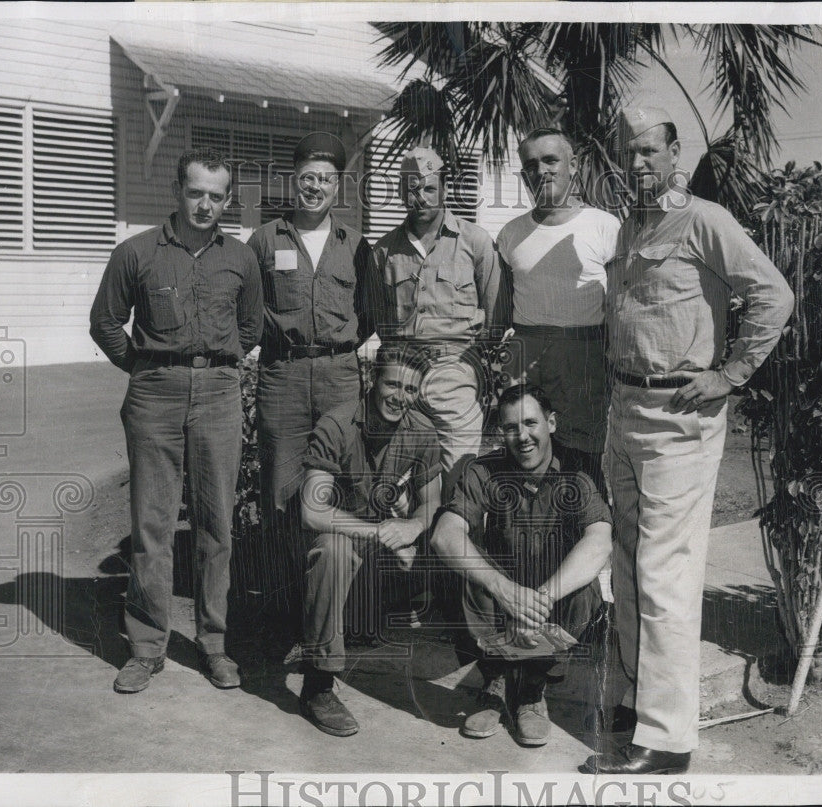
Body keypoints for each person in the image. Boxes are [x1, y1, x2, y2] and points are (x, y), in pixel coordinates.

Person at [586, 105, 795, 774]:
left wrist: (730, 373)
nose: (639, 162)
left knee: (664, 576)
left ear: (675, 153)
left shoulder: (705, 220)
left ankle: (667, 740)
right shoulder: (631, 225)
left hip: (680, 417)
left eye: (651, 150)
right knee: (625, 565)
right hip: (627, 411)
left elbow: (774, 296)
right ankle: (635, 700)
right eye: (630, 151)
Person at [89, 148, 263, 693]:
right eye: (195, 192)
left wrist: (214, 370)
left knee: (216, 526)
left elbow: (250, 330)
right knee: (151, 524)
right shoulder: (135, 253)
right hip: (154, 394)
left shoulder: (241, 259)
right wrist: (143, 368)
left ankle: (213, 644)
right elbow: (106, 322)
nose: (205, 204)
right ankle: (145, 647)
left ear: (228, 200)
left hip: (218, 393)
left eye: (216, 195)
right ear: (177, 191)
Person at [431, 384, 612, 747]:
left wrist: (539, 599)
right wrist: (506, 590)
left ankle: (532, 687)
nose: (522, 436)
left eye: (531, 423)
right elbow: (444, 535)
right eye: (511, 427)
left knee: (586, 588)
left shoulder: (580, 468)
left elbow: (599, 539)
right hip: (504, 590)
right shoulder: (484, 470)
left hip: (552, 589)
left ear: (552, 423)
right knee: (464, 570)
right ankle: (495, 680)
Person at [247, 132, 374, 642]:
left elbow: (367, 315)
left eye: (325, 179)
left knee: (340, 484)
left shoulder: (355, 246)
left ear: (338, 186)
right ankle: (285, 609)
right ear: (291, 180)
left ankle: (336, 610)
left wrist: (336, 349)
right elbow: (249, 308)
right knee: (281, 488)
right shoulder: (264, 240)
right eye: (306, 178)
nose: (314, 188)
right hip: (283, 375)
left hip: (340, 375)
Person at [298, 342, 442, 736]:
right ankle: (318, 683)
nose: (400, 398)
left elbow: (432, 502)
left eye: (411, 390)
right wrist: (379, 532)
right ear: (371, 378)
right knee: (334, 550)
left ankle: (362, 618)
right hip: (336, 539)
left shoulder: (421, 430)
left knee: (433, 551)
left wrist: (412, 527)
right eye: (393, 385)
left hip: (378, 547)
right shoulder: (338, 424)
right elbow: (312, 510)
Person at [369, 146, 506, 496]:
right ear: (401, 193)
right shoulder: (384, 251)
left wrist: (472, 363)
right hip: (401, 372)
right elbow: (379, 318)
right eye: (412, 188)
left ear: (444, 189)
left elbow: (496, 312)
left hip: (454, 370)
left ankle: (457, 540)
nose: (421, 197)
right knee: (395, 476)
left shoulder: (474, 242)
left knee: (460, 474)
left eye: (429, 188)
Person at [496, 128, 620, 492]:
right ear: (524, 175)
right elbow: (501, 310)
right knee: (525, 453)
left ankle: (590, 537)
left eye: (551, 160)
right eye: (531, 165)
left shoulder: (604, 226)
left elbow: (618, 306)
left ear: (574, 165)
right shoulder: (510, 234)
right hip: (526, 354)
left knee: (582, 460)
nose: (542, 171)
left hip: (585, 356)